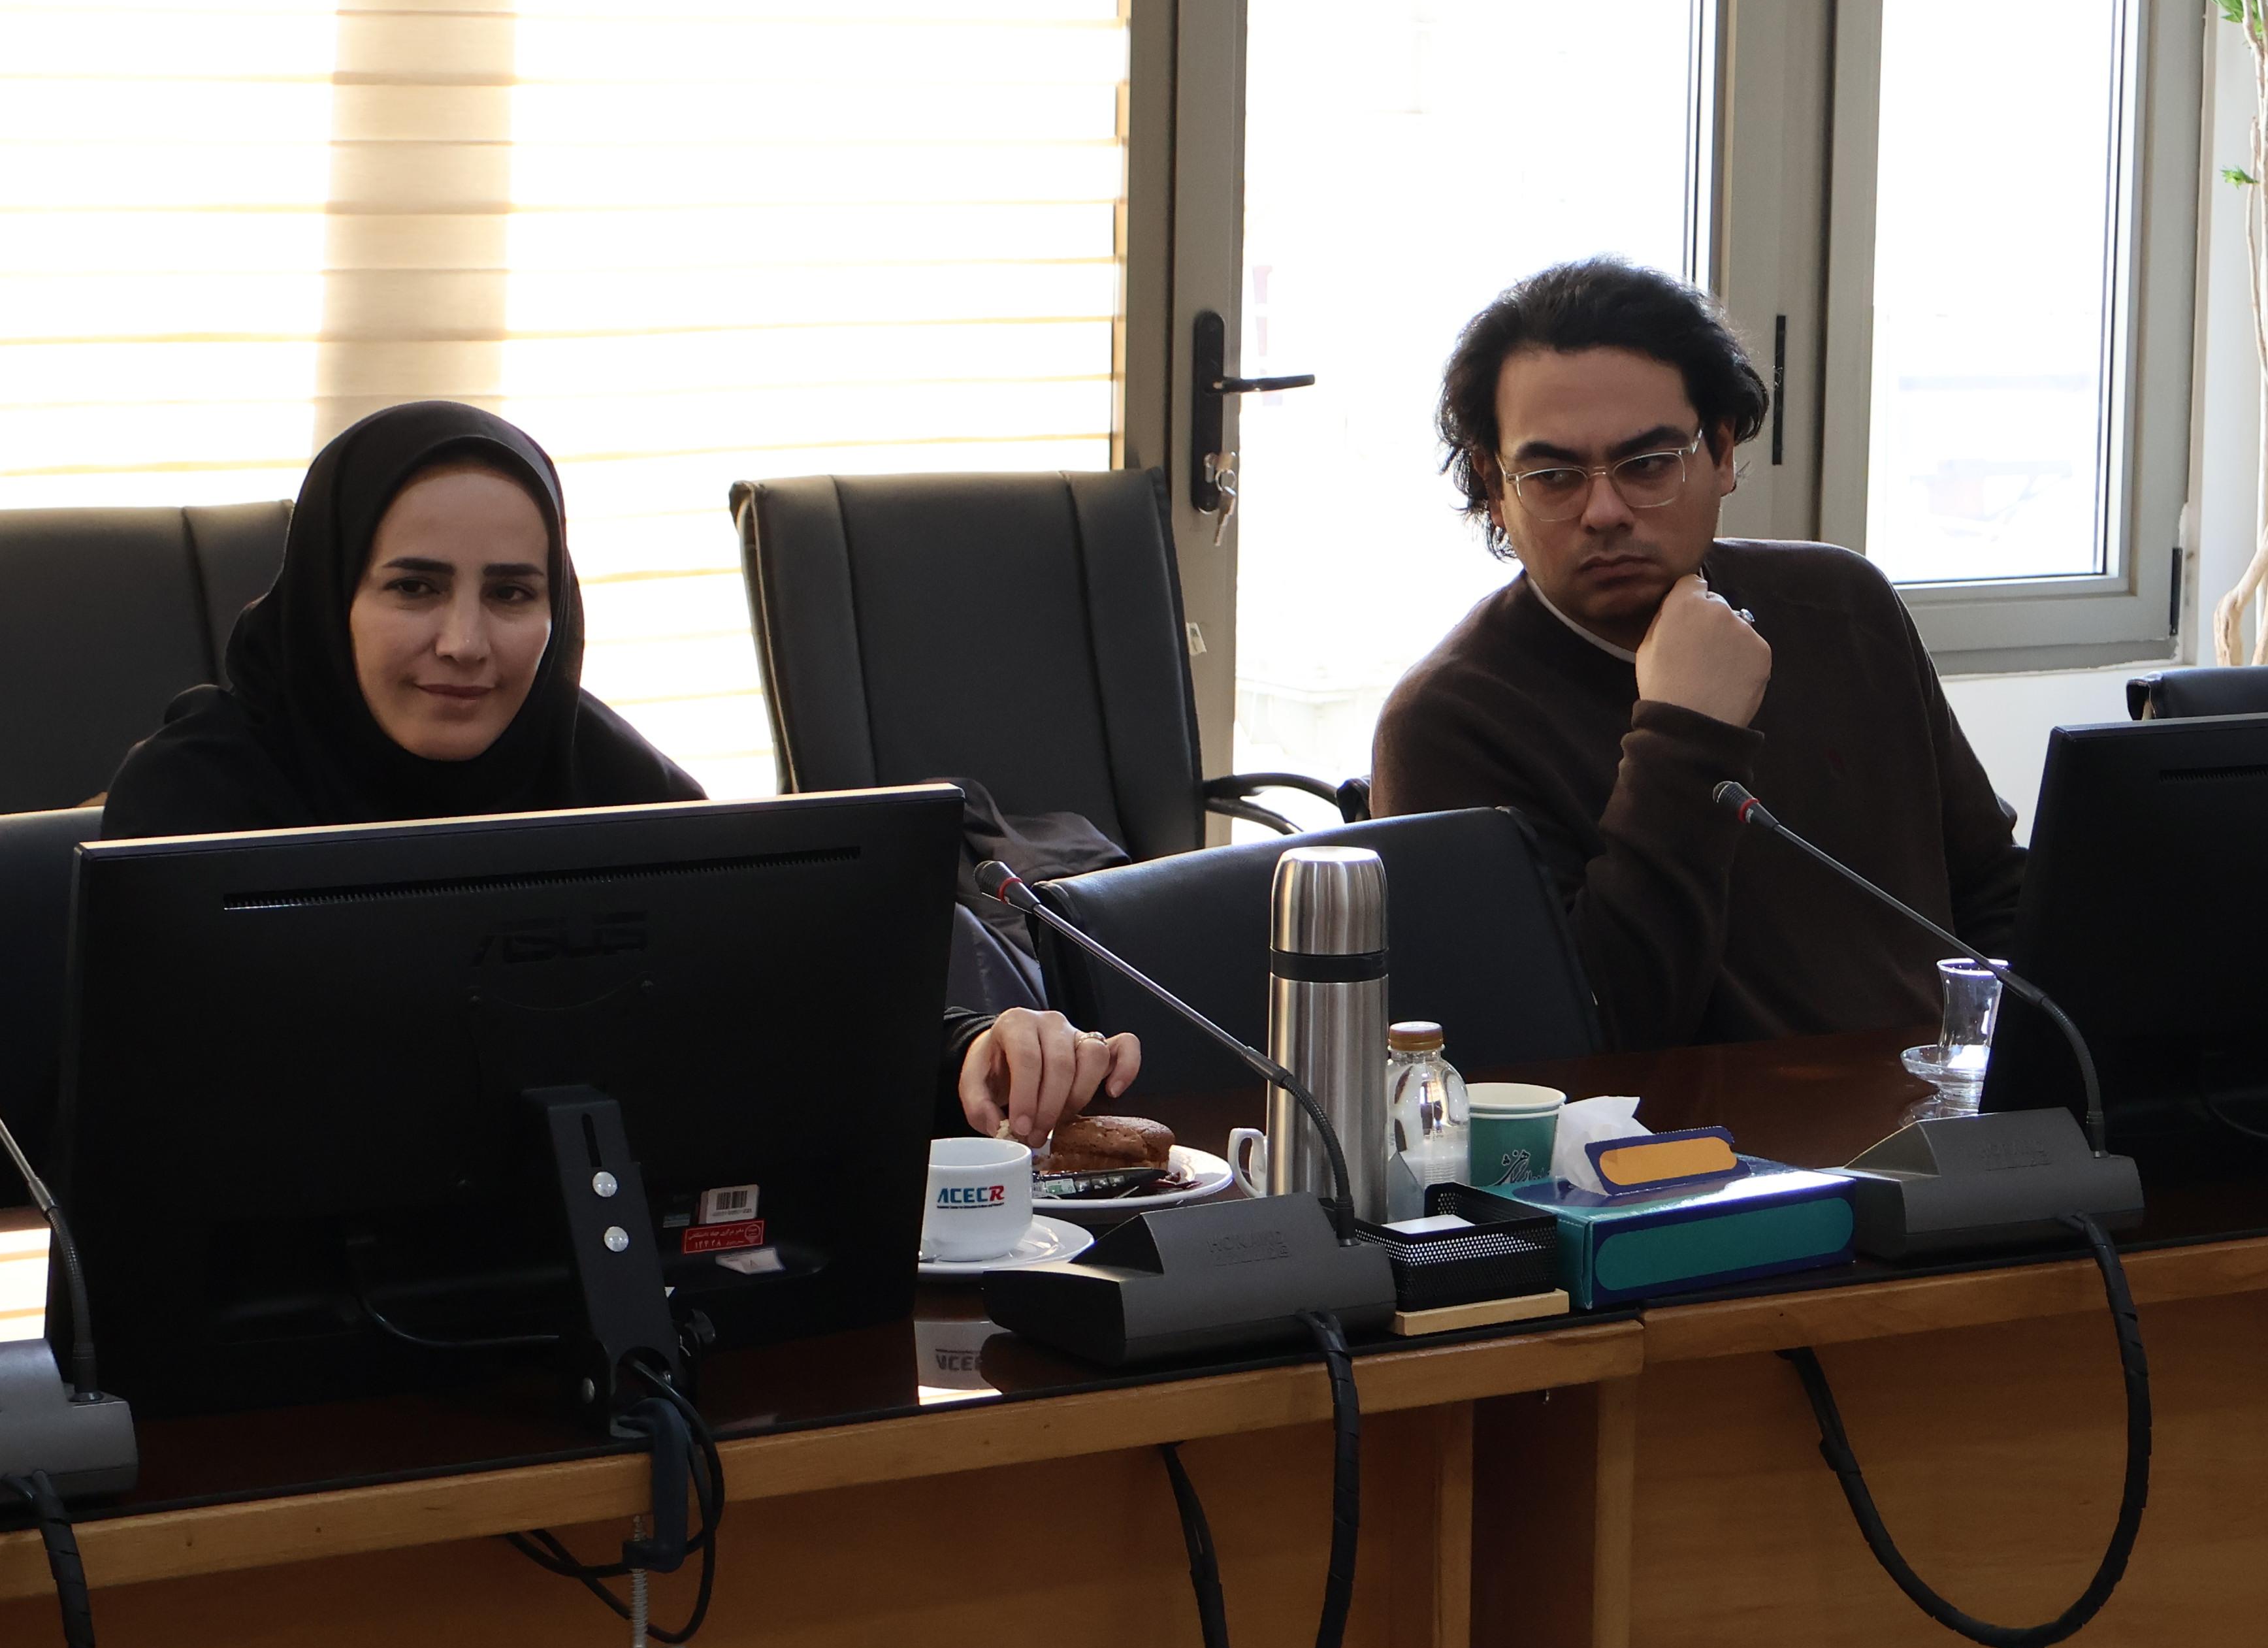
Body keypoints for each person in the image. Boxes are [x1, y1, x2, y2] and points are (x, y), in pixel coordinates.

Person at [101, 400, 1132, 1143]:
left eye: (512, 594)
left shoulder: (604, 775)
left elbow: (774, 1005)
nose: (465, 641)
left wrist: (970, 1053)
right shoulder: (196, 803)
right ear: (333, 596)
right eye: (414, 587)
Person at [1371, 257, 2025, 1056]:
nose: (1604, 511)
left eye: (1647, 465)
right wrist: (1683, 737)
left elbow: (1996, 892)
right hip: (1684, 1136)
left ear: (1719, 452)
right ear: (1494, 488)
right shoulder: (1448, 722)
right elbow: (1579, 1042)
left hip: (1942, 1108)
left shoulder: (1842, 605)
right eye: (1554, 476)